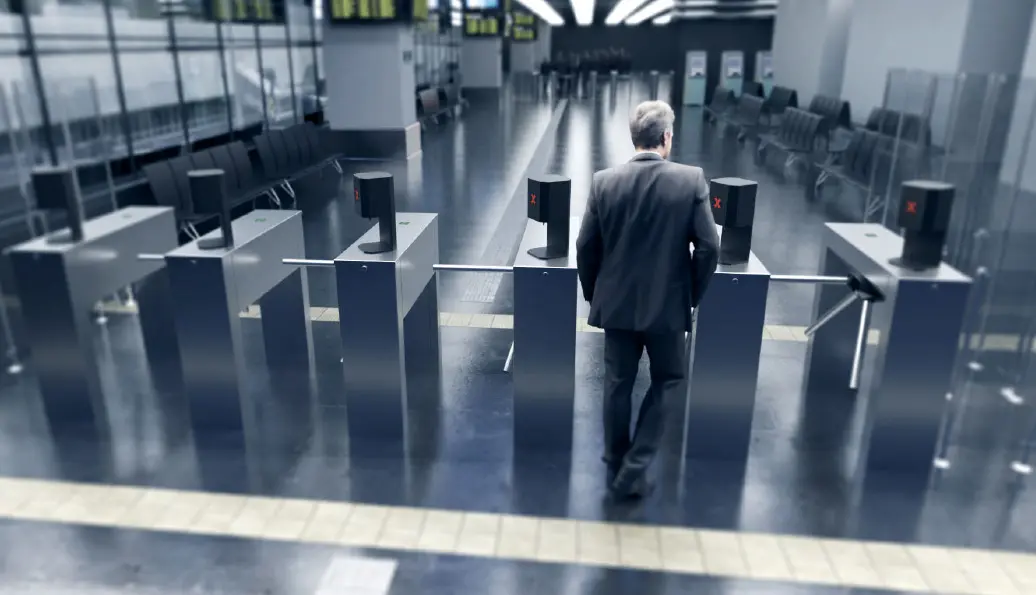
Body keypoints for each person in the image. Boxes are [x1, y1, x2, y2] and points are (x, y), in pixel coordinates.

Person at [575, 100, 719, 500]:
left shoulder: (605, 181)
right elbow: (709, 247)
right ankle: (635, 466)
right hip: (668, 308)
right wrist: (691, 295)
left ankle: (616, 462)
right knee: (669, 380)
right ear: (667, 137)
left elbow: (585, 246)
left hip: (617, 305)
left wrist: (595, 294)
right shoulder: (690, 181)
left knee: (617, 384)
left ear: (633, 138)